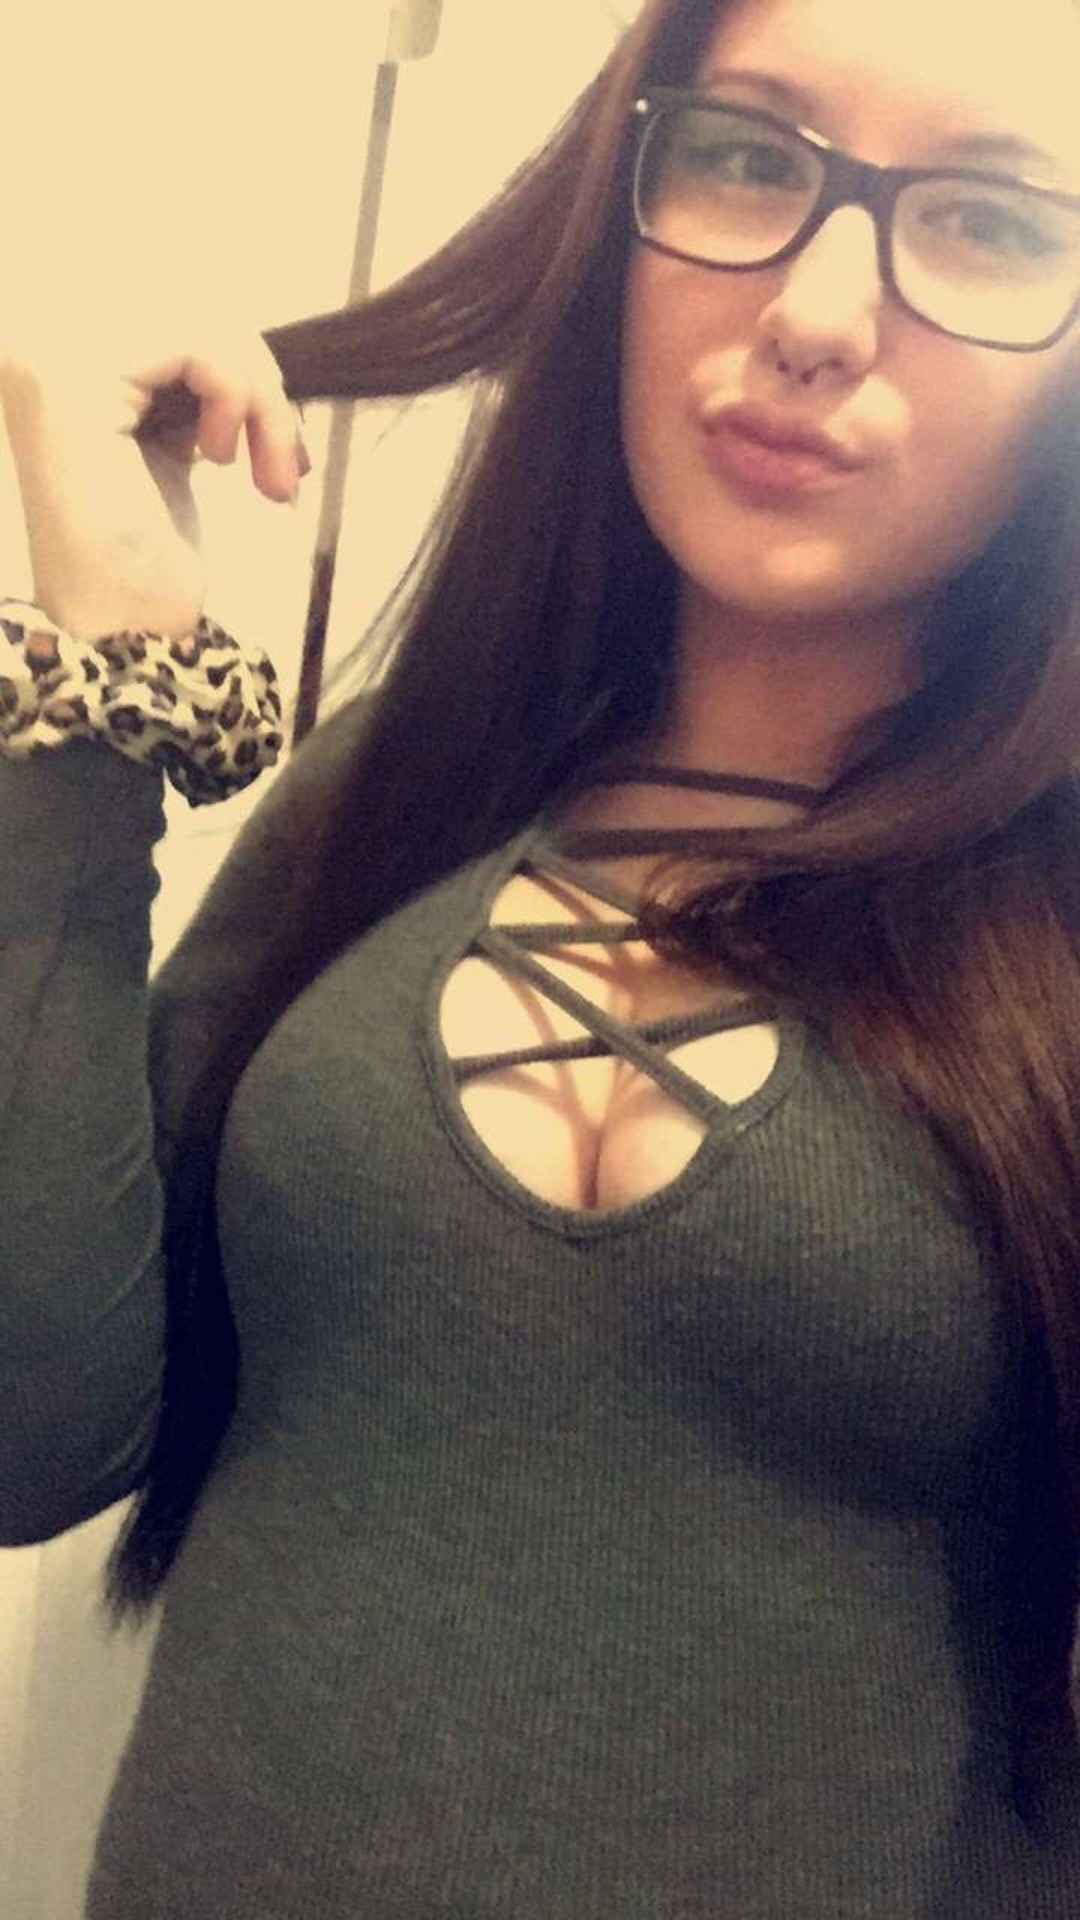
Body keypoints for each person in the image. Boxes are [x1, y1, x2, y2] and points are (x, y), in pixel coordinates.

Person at [3, 0, 1080, 1910]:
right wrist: (95, 704)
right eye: (746, 155)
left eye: (990, 221)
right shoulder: (394, 795)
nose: (819, 312)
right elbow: (31, 1432)